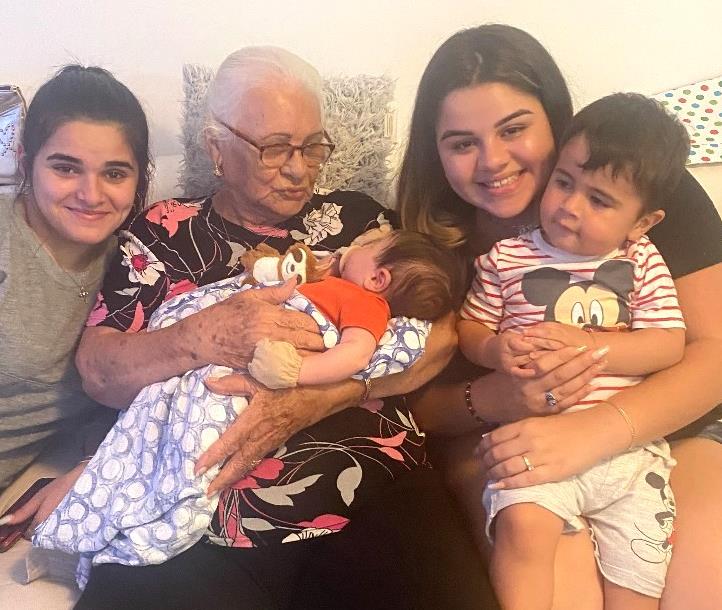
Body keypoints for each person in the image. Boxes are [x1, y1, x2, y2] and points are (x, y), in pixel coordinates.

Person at [73, 46, 492, 609]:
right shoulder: (163, 234)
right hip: (206, 504)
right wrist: (205, 334)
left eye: (313, 146)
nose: (299, 169)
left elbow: (441, 335)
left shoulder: (364, 222)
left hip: (372, 481)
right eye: (274, 149)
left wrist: (325, 394)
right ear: (216, 148)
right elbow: (99, 371)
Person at [397, 24, 722, 610]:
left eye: (513, 129)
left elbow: (711, 353)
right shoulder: (431, 248)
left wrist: (596, 430)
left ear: (556, 120)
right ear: (434, 152)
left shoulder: (638, 186)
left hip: (666, 426)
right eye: (461, 143)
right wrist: (502, 396)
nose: (493, 161)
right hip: (506, 439)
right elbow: (417, 406)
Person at [459, 93, 688, 609]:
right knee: (522, 527)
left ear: (642, 222)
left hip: (629, 453)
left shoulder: (641, 261)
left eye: (599, 200)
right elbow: (469, 327)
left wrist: (593, 346)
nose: (570, 206)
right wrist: (493, 349)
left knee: (638, 575)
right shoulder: (507, 257)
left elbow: (668, 344)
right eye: (563, 182)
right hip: (533, 442)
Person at [0, 65, 151, 594]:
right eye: (66, 168)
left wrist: (94, 463)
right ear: (26, 160)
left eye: (115, 173)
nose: (91, 194)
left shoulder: (142, 266)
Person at [248, 228, 459, 389]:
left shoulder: (368, 305)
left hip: (269, 359)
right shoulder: (342, 283)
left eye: (370, 246)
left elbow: (356, 354)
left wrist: (297, 371)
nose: (356, 247)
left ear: (377, 279)